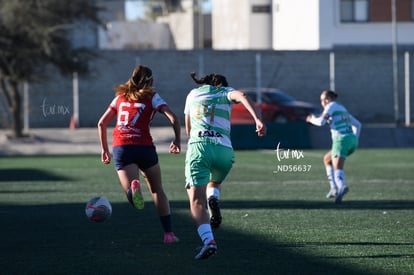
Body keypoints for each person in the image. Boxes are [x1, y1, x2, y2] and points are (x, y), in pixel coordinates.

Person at [184, 72, 266, 260]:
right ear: (220, 84)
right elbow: (243, 96)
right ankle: (214, 198)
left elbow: (188, 130)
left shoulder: (192, 95)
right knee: (215, 181)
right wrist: (258, 120)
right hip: (224, 150)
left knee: (196, 202)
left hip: (200, 148)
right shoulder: (225, 92)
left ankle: (208, 241)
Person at [97, 65, 181, 244]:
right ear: (150, 81)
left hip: (122, 148)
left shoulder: (119, 97)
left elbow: (101, 123)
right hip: (145, 148)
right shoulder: (152, 97)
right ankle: (169, 234)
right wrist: (177, 141)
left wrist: (104, 149)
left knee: (134, 199)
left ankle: (132, 188)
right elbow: (173, 118)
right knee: (158, 190)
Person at [306, 90, 361, 204]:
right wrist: (354, 139)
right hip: (352, 141)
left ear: (327, 99)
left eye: (322, 100)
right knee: (327, 159)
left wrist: (311, 119)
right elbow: (358, 124)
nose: (322, 102)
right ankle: (334, 188)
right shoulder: (341, 108)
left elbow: (321, 122)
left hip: (340, 141)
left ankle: (341, 187)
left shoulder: (330, 106)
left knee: (338, 168)